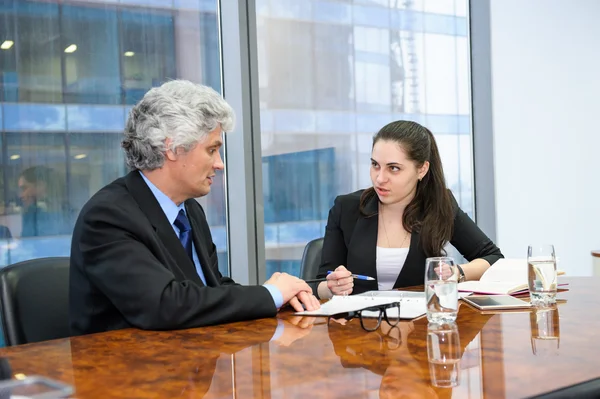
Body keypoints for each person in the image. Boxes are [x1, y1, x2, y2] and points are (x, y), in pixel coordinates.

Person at [69, 80, 319, 336]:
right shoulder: (107, 216)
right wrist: (269, 295)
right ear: (173, 148)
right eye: (212, 150)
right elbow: (164, 305)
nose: (219, 164)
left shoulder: (190, 210)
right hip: (127, 370)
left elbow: (210, 287)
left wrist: (273, 299)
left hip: (190, 360)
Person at [316, 120, 503, 298]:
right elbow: (319, 284)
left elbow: (492, 257)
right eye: (375, 165)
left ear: (421, 170)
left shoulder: (439, 205)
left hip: (417, 326)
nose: (380, 178)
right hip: (357, 327)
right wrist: (332, 287)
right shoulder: (346, 207)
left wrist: (458, 272)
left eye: (394, 168)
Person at [18, 166, 74, 237]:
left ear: (40, 186)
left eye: (24, 188)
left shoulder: (66, 212)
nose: (21, 195)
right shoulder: (30, 213)